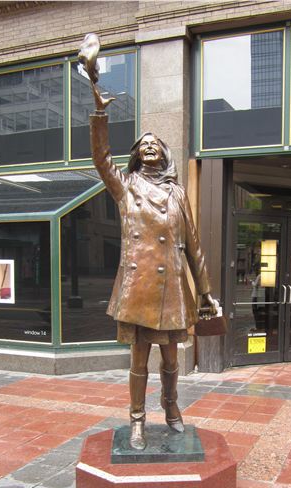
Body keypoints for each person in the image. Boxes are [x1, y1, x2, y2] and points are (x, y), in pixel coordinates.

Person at [80, 35, 216, 451]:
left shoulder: (177, 193)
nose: (151, 149)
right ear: (137, 156)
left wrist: (207, 293)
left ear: (165, 154)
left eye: (157, 146)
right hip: (139, 287)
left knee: (172, 359)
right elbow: (101, 159)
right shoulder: (125, 187)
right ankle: (137, 421)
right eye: (145, 146)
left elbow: (193, 244)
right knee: (139, 358)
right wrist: (100, 114)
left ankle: (171, 409)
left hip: (172, 288)